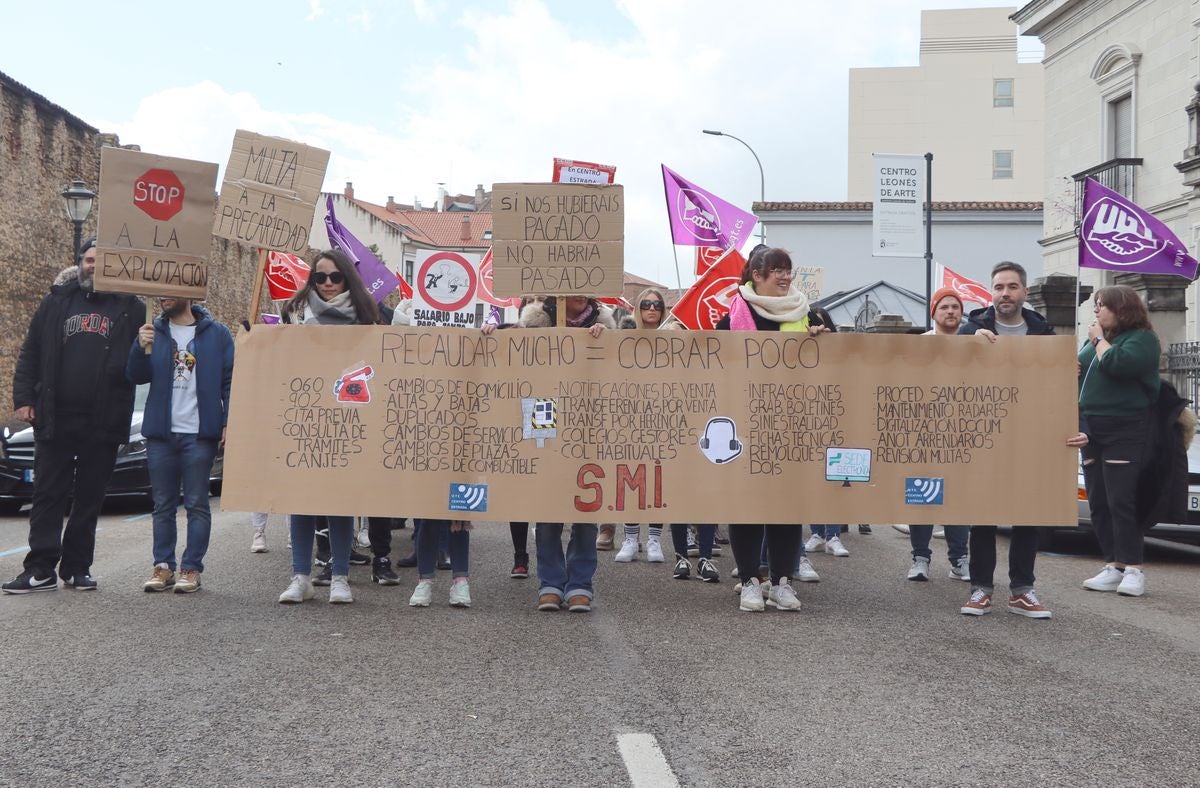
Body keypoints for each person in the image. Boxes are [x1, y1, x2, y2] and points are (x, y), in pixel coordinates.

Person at [3, 239, 143, 594]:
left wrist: (147, 346)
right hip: (56, 415)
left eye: (101, 260)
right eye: (89, 259)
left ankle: (78, 567)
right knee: (48, 493)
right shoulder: (56, 301)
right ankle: (40, 568)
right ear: (80, 263)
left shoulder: (132, 308)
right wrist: (23, 398)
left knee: (90, 496)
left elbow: (140, 367)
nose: (94, 265)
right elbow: (31, 351)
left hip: (104, 416)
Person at [957, 261, 1086, 618]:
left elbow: (1064, 392)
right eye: (998, 287)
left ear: (1024, 292)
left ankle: (1022, 590)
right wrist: (967, 342)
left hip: (1031, 439)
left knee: (1028, 513)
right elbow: (944, 367)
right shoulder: (973, 328)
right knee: (982, 515)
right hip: (984, 436)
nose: (1005, 293)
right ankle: (980, 588)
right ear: (991, 292)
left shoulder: (1045, 335)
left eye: (1012, 287)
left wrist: (1081, 424)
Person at [715, 247, 826, 612]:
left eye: (788, 271)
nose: (785, 277)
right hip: (745, 424)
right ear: (756, 275)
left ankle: (782, 582)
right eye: (777, 270)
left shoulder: (807, 313)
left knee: (786, 508)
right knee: (747, 507)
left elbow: (837, 362)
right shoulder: (733, 316)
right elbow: (708, 364)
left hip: (792, 426)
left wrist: (821, 339)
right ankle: (749, 580)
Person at [278, 250, 380, 605]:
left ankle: (339, 577)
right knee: (301, 499)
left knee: (339, 499)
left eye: (334, 277)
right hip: (304, 413)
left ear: (346, 277)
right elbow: (278, 356)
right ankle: (300, 575)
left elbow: (379, 363)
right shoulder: (294, 312)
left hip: (347, 415)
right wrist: (253, 342)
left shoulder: (366, 315)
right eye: (319, 277)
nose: (326, 284)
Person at [128, 297, 234, 594]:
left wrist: (228, 420)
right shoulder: (154, 331)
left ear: (190, 293)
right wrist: (139, 346)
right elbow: (135, 376)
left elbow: (230, 381)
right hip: (162, 433)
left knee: (197, 503)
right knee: (162, 505)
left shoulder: (217, 334)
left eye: (170, 291)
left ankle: (191, 568)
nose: (164, 297)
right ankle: (163, 566)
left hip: (199, 434)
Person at [519, 296, 612, 612]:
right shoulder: (535, 320)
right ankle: (551, 582)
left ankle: (580, 584)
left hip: (589, 414)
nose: (577, 291)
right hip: (545, 408)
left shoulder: (605, 323)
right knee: (548, 506)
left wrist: (606, 342)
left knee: (585, 507)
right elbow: (518, 364)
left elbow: (618, 373)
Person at [1077, 285, 1160, 597]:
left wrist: (1098, 339)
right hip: (1092, 427)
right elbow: (1084, 365)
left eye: (1102, 305)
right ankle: (1112, 564)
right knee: (1098, 500)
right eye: (1095, 305)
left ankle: (1134, 568)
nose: (1096, 311)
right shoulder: (1099, 340)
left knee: (1120, 499)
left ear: (1122, 308)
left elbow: (1117, 365)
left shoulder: (1141, 340)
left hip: (1124, 427)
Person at [907, 287, 971, 582]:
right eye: (944, 306)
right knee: (922, 496)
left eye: (955, 307)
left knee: (958, 498)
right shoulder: (919, 346)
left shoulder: (974, 345)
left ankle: (959, 559)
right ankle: (920, 558)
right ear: (934, 312)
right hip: (924, 434)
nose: (950, 311)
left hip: (961, 435)